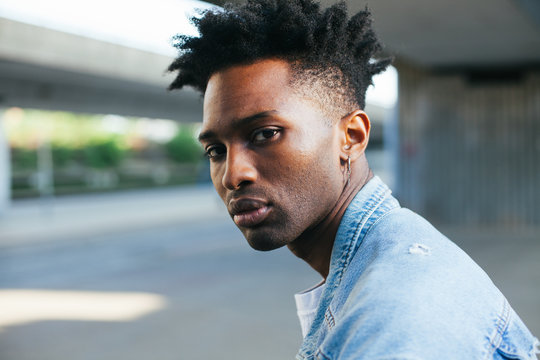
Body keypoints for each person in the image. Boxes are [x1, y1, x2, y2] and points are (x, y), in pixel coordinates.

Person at [167, 0, 539, 359]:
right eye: (216, 150)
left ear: (352, 137)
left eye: (265, 134)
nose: (234, 174)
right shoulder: (383, 266)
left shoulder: (396, 318)